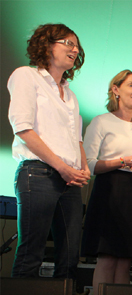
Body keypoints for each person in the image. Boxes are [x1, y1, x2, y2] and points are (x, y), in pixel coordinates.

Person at [9, 23, 90, 279]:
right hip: (38, 173)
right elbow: (23, 129)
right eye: (67, 43)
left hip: (70, 181)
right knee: (31, 252)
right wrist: (62, 167)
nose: (74, 49)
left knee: (69, 258)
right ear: (47, 44)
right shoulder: (26, 76)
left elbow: (76, 139)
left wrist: (83, 167)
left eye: (76, 45)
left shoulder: (71, 94)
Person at [81, 70, 132, 295]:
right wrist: (122, 161)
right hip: (109, 190)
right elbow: (90, 165)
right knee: (108, 256)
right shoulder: (101, 121)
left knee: (126, 259)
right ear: (116, 89)